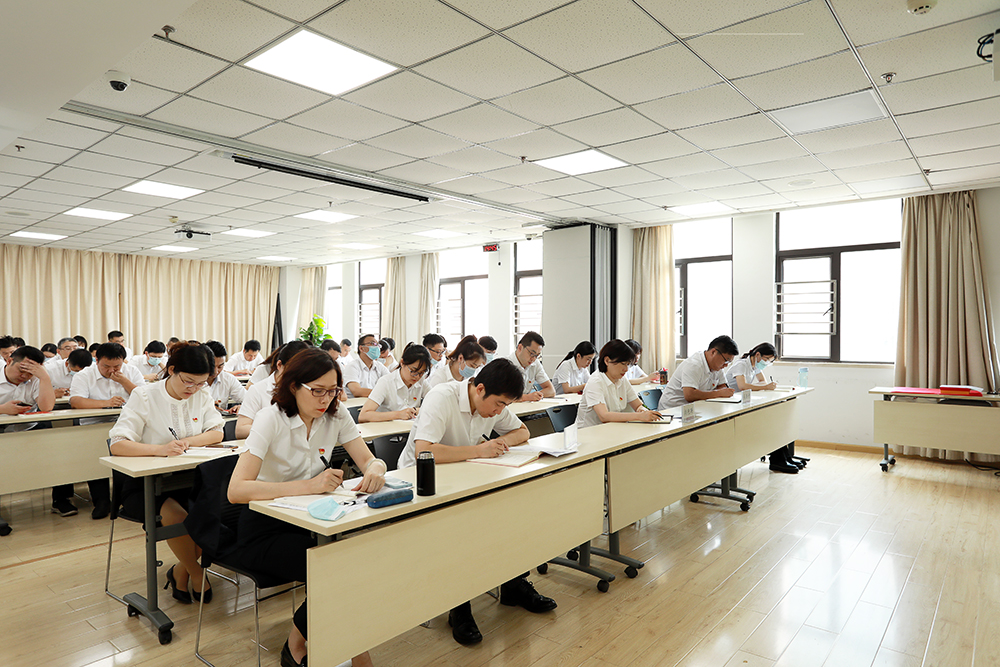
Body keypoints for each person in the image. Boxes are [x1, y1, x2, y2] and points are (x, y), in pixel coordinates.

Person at [228, 348, 385, 667]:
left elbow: (368, 459)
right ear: (293, 386)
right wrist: (308, 485)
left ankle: (299, 640)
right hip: (266, 530)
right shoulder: (270, 418)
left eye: (333, 390)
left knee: (362, 562)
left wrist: (376, 468)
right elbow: (236, 490)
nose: (326, 399)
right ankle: (354, 656)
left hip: (315, 521)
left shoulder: (336, 414)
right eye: (317, 390)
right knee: (337, 571)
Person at [399, 358, 555, 646]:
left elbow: (523, 431)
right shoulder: (442, 397)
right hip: (422, 485)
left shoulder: (492, 404)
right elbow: (424, 451)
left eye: (506, 405)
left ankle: (512, 583)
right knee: (463, 526)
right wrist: (480, 450)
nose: (499, 411)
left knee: (513, 511)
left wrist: (500, 444)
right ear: (479, 388)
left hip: (465, 477)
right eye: (498, 404)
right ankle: (459, 604)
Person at [108, 343, 224, 604]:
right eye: (188, 381)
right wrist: (159, 450)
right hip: (147, 484)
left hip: (190, 480)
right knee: (180, 517)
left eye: (201, 383)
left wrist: (188, 442)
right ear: (171, 370)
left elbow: (217, 432)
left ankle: (180, 570)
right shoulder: (144, 395)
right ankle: (197, 573)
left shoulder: (201, 394)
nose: (193, 389)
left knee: (214, 515)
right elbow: (118, 444)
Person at [69, 342, 145, 519]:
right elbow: (76, 401)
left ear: (123, 361)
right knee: (95, 463)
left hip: (127, 426)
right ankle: (101, 501)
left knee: (130, 462)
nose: (111, 370)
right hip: (93, 425)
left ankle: (128, 500)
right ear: (96, 361)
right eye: (106, 366)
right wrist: (106, 403)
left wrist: (124, 381)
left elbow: (144, 396)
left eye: (117, 366)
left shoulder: (132, 371)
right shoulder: (84, 375)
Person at [725, 343, 798, 474]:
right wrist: (765, 387)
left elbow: (762, 382)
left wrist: (767, 386)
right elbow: (742, 386)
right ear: (757, 355)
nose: (766, 363)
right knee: (770, 422)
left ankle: (784, 457)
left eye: (769, 361)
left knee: (776, 419)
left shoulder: (755, 366)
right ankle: (778, 459)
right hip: (731, 406)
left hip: (743, 403)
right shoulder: (741, 365)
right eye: (766, 359)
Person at [575, 340, 661, 428]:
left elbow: (638, 405)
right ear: (607, 361)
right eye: (623, 364)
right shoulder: (596, 381)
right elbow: (604, 416)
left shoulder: (622, 379)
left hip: (611, 429)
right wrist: (639, 416)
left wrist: (643, 410)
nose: (626, 369)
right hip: (588, 432)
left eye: (628, 364)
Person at [235, 340, 310, 439]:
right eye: (293, 371)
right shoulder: (258, 390)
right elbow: (240, 430)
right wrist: (276, 431)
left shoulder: (307, 390)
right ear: (279, 365)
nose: (297, 377)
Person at [658, 335, 738, 410]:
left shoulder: (717, 367)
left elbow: (723, 387)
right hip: (673, 410)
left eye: (729, 362)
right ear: (713, 352)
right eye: (726, 361)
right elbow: (689, 395)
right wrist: (718, 393)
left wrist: (721, 392)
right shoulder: (694, 364)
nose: (726, 365)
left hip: (696, 408)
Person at [359, 343, 431, 424]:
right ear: (402, 363)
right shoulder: (386, 382)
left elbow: (436, 403)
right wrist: (398, 414)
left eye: (422, 373)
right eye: (413, 371)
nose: (417, 376)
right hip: (388, 430)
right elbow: (363, 416)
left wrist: (418, 410)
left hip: (411, 429)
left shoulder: (422, 382)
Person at [0, 345, 56, 421]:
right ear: (9, 361)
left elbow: (46, 408)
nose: (24, 376)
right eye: (21, 371)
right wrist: (2, 409)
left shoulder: (37, 377)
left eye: (30, 373)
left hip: (28, 425)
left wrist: (45, 378)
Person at [506, 331, 554, 402]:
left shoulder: (535, 364)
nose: (533, 359)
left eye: (537, 355)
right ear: (520, 347)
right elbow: (502, 396)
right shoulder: (505, 364)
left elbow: (551, 390)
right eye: (532, 353)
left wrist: (536, 395)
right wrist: (527, 397)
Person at [205, 341, 246, 412]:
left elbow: (249, 400)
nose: (216, 371)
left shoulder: (228, 379)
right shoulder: (192, 380)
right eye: (212, 366)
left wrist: (241, 407)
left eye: (220, 366)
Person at [343, 333, 389, 398]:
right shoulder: (352, 366)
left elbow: (391, 383)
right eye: (373, 343)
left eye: (377, 345)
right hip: (355, 403)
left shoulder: (379, 366)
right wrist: (382, 393)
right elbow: (356, 391)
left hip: (373, 402)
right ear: (361, 348)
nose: (377, 347)